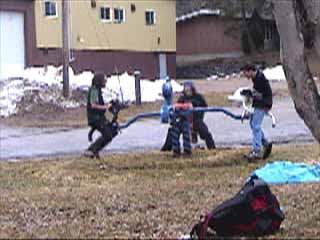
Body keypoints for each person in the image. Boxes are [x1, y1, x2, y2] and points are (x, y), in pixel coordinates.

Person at [161, 81, 216, 152]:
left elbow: (204, 107)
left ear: (192, 89)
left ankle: (212, 149)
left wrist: (195, 108)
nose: (188, 90)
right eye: (186, 88)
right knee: (172, 130)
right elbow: (177, 110)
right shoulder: (182, 99)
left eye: (189, 88)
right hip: (183, 121)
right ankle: (166, 150)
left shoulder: (198, 97)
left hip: (196, 120)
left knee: (204, 131)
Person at [240, 64, 273, 161]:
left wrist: (250, 94)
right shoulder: (256, 77)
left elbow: (260, 95)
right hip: (260, 103)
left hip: (263, 104)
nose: (245, 75)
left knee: (256, 125)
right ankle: (266, 144)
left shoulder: (259, 78)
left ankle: (256, 151)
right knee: (253, 124)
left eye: (245, 73)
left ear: (250, 71)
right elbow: (256, 93)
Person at [84, 73, 117, 159]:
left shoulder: (98, 90)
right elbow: (93, 105)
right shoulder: (94, 90)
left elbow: (101, 104)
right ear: (99, 81)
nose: (105, 82)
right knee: (108, 134)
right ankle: (91, 150)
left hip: (100, 116)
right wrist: (106, 107)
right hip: (95, 118)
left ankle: (95, 150)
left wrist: (112, 105)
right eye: (104, 81)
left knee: (114, 128)